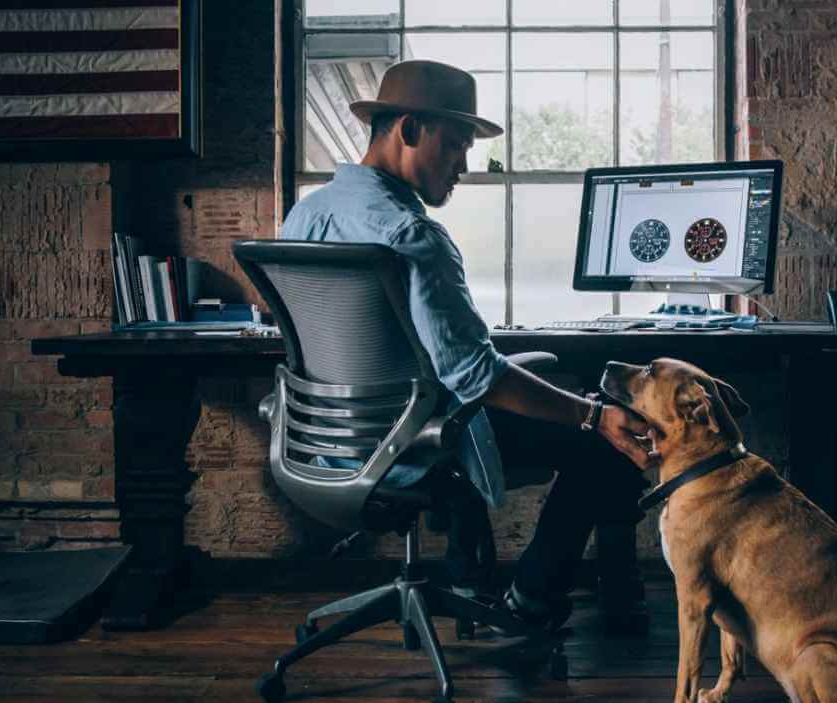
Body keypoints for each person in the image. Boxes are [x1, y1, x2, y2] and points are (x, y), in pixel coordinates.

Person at [280, 59, 653, 631]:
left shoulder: (302, 220)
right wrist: (595, 416)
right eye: (455, 146)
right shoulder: (414, 236)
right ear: (407, 131)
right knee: (603, 436)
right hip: (408, 445)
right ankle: (533, 598)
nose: (464, 167)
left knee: (553, 394)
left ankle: (468, 575)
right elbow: (478, 377)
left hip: (326, 443)